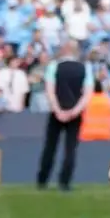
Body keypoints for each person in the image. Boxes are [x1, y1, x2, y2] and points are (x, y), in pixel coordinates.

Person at [37, 42, 93, 191]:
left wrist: (57, 110)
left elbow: (50, 91)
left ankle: (43, 180)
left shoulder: (54, 66)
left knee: (50, 147)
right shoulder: (85, 68)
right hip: (75, 113)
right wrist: (75, 111)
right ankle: (65, 182)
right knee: (70, 148)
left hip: (57, 112)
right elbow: (87, 94)